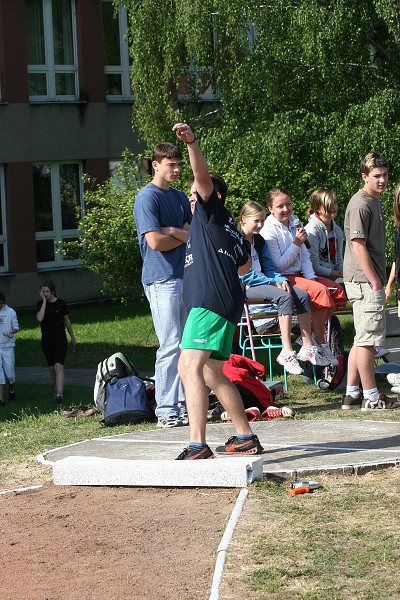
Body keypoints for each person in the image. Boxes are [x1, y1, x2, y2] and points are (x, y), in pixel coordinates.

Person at [172, 122, 263, 460]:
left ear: (214, 195)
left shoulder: (211, 213)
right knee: (212, 371)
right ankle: (245, 435)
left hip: (209, 302)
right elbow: (245, 268)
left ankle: (197, 444)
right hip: (227, 304)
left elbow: (201, 175)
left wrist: (192, 142)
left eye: (196, 194)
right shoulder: (233, 231)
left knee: (188, 367)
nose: (192, 200)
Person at [133, 142, 192, 428]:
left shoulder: (180, 197)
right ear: (156, 165)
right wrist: (176, 235)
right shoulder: (147, 198)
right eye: (172, 165)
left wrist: (173, 231)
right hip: (161, 280)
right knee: (170, 344)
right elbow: (154, 242)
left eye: (180, 165)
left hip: (185, 276)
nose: (178, 170)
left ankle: (181, 405)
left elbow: (191, 236)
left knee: (185, 345)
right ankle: (167, 410)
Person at [237, 201, 329, 373]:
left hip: (265, 282)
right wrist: (271, 282)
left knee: (302, 296)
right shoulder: (236, 240)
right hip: (247, 287)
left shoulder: (259, 241)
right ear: (243, 218)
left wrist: (279, 278)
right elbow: (243, 274)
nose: (260, 225)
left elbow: (269, 267)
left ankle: (307, 346)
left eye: (263, 221)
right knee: (284, 297)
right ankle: (286, 352)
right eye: (256, 221)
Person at [260, 188, 347, 366]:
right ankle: (321, 343)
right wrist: (296, 244)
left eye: (288, 204)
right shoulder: (268, 230)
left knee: (337, 292)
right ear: (270, 208)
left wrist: (311, 278)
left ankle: (311, 337)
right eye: (280, 206)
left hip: (301, 274)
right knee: (321, 292)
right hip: (284, 276)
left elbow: (305, 255)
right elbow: (277, 265)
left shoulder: (295, 222)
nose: (286, 209)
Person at [342, 152, 400, 411]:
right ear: (364, 176)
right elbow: (358, 246)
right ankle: (372, 397)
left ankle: (352, 393)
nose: (382, 180)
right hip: (365, 282)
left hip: (365, 281)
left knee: (360, 338)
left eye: (385, 175)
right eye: (377, 176)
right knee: (367, 341)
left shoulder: (373, 201)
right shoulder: (361, 203)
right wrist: (376, 281)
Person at [305, 187, 388, 362]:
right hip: (315, 275)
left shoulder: (338, 231)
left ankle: (369, 340)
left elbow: (340, 260)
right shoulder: (312, 231)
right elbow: (313, 266)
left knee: (351, 286)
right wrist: (339, 273)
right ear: (318, 207)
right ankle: (365, 341)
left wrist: (343, 271)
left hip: (334, 274)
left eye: (335, 202)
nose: (334, 206)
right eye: (330, 204)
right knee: (346, 290)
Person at [36, 280, 76, 403]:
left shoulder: (61, 303)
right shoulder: (40, 304)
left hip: (60, 339)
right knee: (52, 368)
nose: (45, 294)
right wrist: (43, 302)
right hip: (47, 340)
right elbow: (40, 318)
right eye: (43, 291)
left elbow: (67, 321)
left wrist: (72, 337)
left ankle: (60, 393)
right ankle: (55, 388)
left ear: (53, 292)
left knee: (59, 366)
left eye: (47, 291)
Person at [0, 292, 19, 406]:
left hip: (8, 346)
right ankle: (1, 399)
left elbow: (16, 327)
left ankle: (11, 387)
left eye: (1, 303)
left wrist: (11, 332)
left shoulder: (10, 312)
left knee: (10, 374)